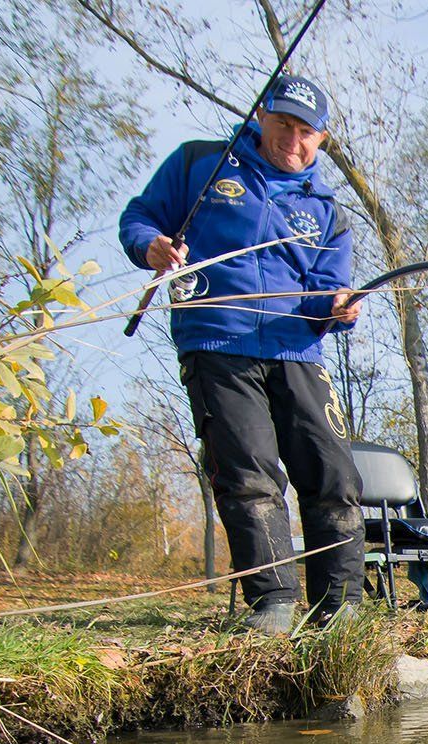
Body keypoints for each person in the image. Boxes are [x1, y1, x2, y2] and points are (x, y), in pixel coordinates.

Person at [119, 74, 365, 634]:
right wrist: (150, 246)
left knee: (333, 474)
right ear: (261, 116)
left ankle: (343, 611)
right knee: (249, 474)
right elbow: (138, 219)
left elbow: (329, 290)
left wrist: (340, 308)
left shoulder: (330, 212)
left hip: (296, 348)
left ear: (321, 140)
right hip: (217, 342)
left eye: (307, 132)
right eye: (283, 124)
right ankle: (274, 605)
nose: (292, 140)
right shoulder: (199, 165)